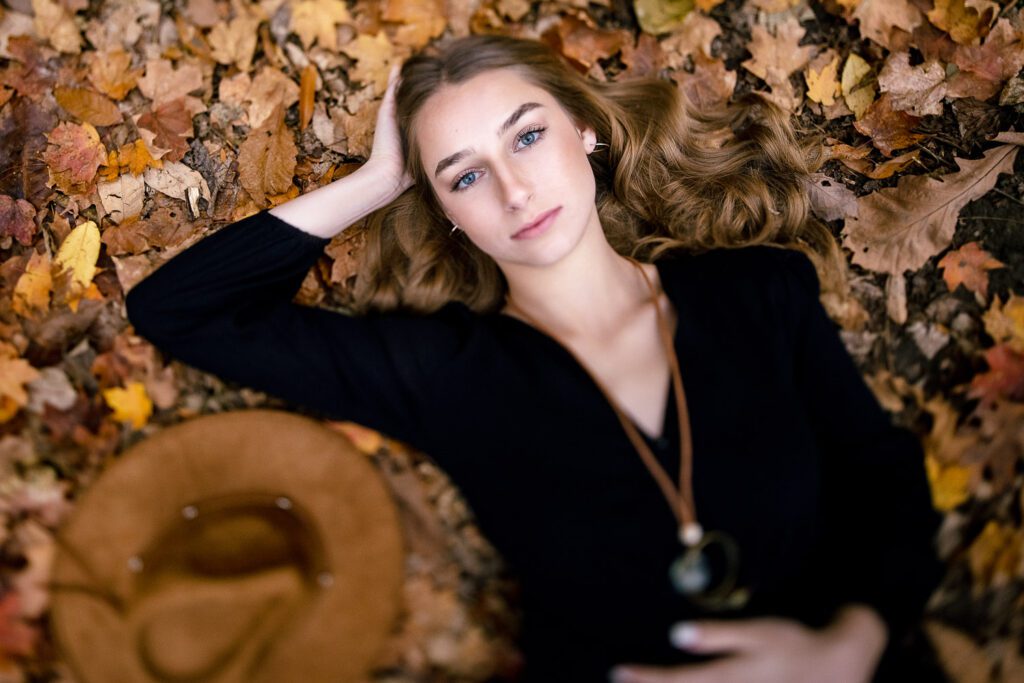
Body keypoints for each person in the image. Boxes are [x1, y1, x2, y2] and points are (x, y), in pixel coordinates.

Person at [125, 34, 946, 683]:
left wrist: (853, 643)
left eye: (527, 135)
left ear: (583, 128)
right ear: (442, 208)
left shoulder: (756, 293)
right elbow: (180, 311)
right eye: (465, 175)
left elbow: (883, 478)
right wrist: (378, 178)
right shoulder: (444, 373)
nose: (514, 190)